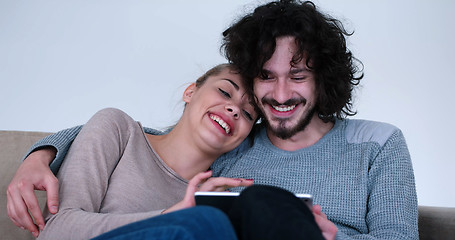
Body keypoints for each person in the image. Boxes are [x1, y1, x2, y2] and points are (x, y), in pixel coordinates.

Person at [7, 0, 418, 239]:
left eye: (297, 76)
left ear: (323, 79)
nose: (278, 95)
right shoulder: (237, 146)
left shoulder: (377, 144)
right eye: (265, 77)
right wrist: (43, 151)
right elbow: (152, 141)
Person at [16, 63, 260, 239]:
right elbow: (55, 230)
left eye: (248, 113)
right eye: (225, 92)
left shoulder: (215, 194)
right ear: (190, 92)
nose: (234, 109)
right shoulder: (119, 130)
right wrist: (172, 215)